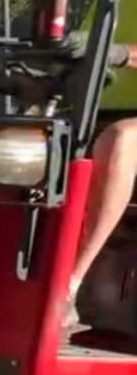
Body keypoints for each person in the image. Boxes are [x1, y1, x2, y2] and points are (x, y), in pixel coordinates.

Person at [66, 44, 137, 329]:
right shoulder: (111, 2)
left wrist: (118, 52)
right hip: (94, 115)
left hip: (120, 126)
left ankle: (70, 283)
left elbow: (99, 46)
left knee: (121, 140)